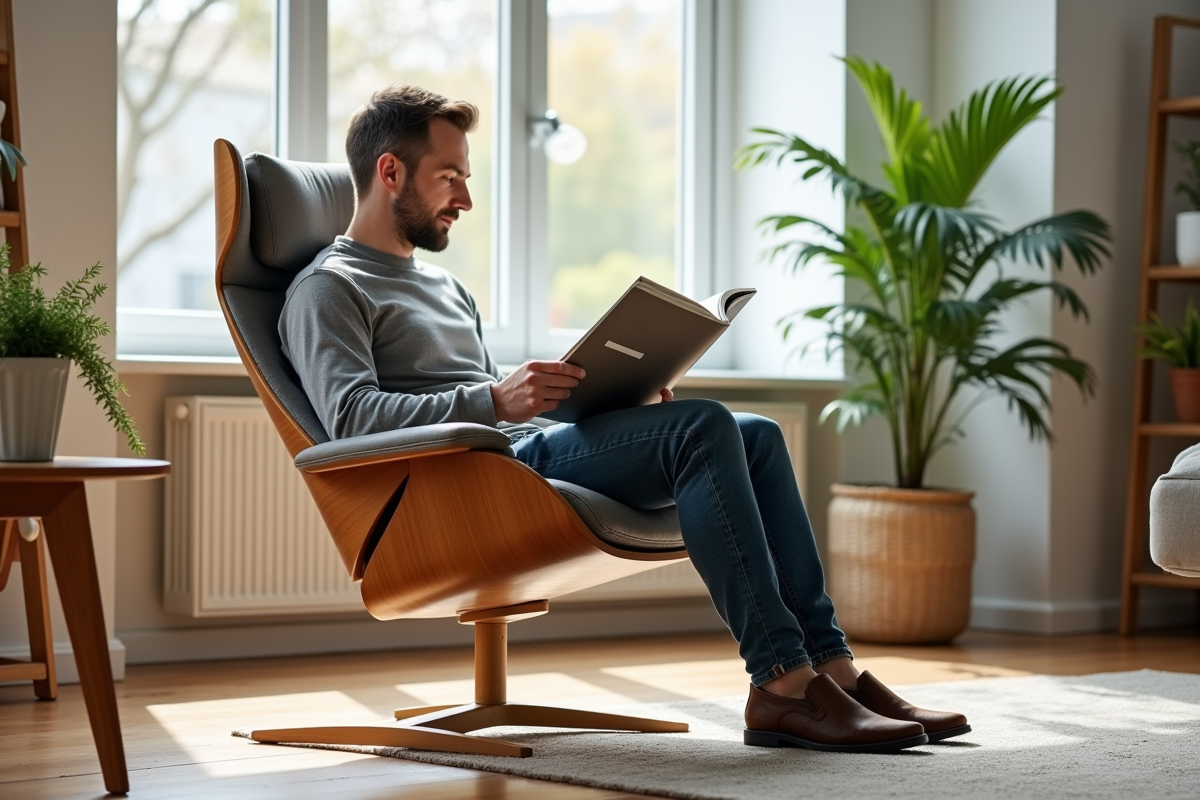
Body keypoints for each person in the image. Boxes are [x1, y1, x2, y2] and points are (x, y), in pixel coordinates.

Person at [279, 84, 969, 754]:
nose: (465, 197)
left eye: (466, 175)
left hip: (519, 456)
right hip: (465, 490)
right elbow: (352, 422)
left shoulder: (445, 286)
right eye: (449, 176)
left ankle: (833, 668)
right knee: (700, 429)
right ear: (390, 171)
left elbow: (477, 396)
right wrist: (495, 400)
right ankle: (782, 683)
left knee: (753, 433)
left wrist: (615, 399)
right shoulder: (328, 288)